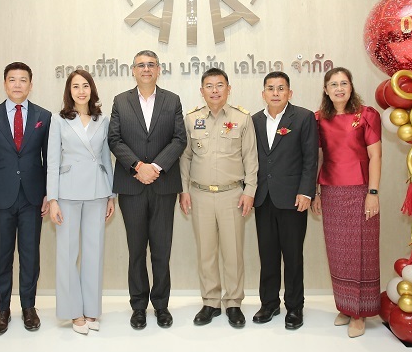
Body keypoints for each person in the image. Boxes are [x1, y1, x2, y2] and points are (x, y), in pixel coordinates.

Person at [108, 50, 186, 330]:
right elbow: (114, 140)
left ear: (158, 69)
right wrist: (137, 166)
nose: (146, 69)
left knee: (162, 250)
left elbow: (179, 139)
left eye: (151, 64)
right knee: (136, 250)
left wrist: (156, 167)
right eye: (140, 65)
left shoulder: (172, 100)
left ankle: (161, 306)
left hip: (164, 186)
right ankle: (138, 306)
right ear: (133, 70)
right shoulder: (120, 101)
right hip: (132, 186)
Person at [0, 62, 51, 335]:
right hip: (0, 199)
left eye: (23, 80)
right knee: (2, 257)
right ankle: (2, 310)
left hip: (33, 198)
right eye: (12, 79)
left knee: (30, 256)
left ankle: (29, 308)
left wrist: (49, 194)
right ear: (5, 84)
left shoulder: (44, 116)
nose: (17, 84)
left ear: (31, 85)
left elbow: (49, 160)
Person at [179, 69, 258, 328]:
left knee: (233, 252)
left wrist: (249, 191)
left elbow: (251, 158)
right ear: (201, 91)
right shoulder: (192, 119)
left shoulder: (242, 119)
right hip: (200, 194)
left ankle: (233, 302)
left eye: (220, 85)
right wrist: (184, 190)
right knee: (206, 252)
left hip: (232, 195)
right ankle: (211, 302)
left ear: (228, 89)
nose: (215, 90)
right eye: (209, 86)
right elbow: (185, 158)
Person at [311, 67, 381, 338]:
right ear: (326, 90)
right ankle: (345, 306)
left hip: (360, 191)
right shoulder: (319, 119)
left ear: (351, 86)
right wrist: (316, 192)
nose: (339, 88)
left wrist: (373, 193)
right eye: (333, 84)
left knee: (361, 251)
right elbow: (318, 157)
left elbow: (375, 156)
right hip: (331, 192)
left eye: (343, 83)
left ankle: (360, 313)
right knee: (338, 253)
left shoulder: (367, 115)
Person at [47, 70, 115, 335]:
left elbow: (107, 159)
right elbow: (53, 161)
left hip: (98, 191)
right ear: (69, 91)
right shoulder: (59, 120)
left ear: (92, 89)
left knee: (94, 252)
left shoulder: (103, 119)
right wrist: (53, 199)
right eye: (75, 86)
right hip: (67, 191)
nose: (81, 91)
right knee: (67, 253)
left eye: (85, 86)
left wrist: (111, 195)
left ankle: (91, 310)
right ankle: (73, 311)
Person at [251, 71, 318, 330]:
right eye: (271, 88)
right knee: (267, 254)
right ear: (263, 93)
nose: (276, 93)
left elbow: (310, 158)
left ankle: (294, 307)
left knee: (292, 255)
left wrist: (306, 192)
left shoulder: (303, 117)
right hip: (263, 197)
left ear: (290, 92)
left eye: (281, 88)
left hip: (293, 198)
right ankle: (269, 303)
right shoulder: (254, 121)